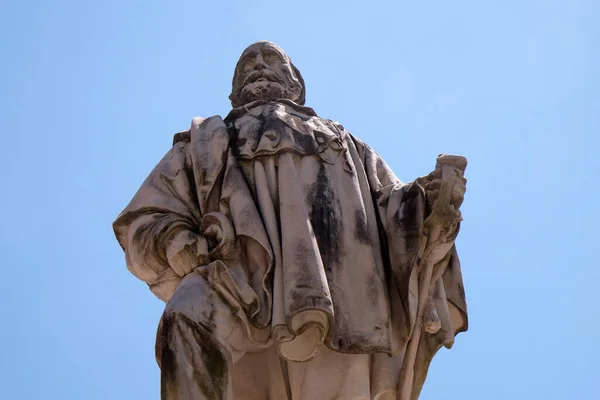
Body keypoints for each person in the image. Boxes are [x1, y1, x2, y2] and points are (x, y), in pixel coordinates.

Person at [113, 41, 468, 400]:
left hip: (341, 290)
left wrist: (425, 201)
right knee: (188, 313)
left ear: (295, 84)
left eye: (271, 59)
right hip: (237, 279)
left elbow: (391, 204)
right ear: (233, 92)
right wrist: (178, 243)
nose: (258, 66)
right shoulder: (203, 140)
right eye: (247, 63)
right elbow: (146, 218)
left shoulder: (345, 141)